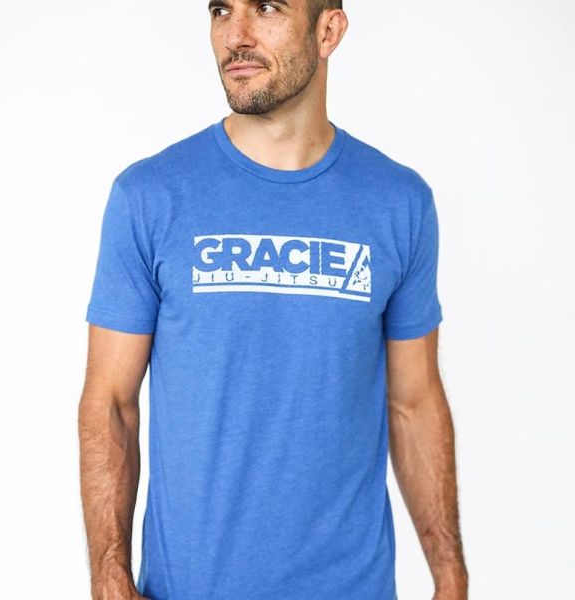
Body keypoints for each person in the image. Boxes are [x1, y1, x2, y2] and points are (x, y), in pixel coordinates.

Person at [78, 1, 469, 599]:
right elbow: (111, 401)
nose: (235, 35)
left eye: (266, 8)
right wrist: (109, 577)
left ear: (328, 31)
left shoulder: (399, 202)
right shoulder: (150, 196)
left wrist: (450, 575)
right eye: (221, 10)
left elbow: (414, 402)